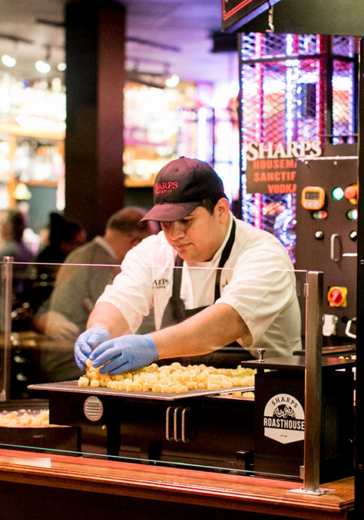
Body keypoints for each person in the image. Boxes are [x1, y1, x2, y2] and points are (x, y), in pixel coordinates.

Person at [73, 157, 302, 376]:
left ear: (221, 210)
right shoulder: (153, 250)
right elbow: (120, 300)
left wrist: (148, 345)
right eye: (166, 223)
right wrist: (99, 330)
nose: (175, 235)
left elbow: (228, 321)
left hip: (266, 396)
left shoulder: (264, 255)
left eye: (186, 221)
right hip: (183, 397)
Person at [36, 207, 157, 380]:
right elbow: (122, 319)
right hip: (73, 363)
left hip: (60, 357)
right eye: (150, 247)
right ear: (135, 243)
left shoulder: (82, 254)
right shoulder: (102, 264)